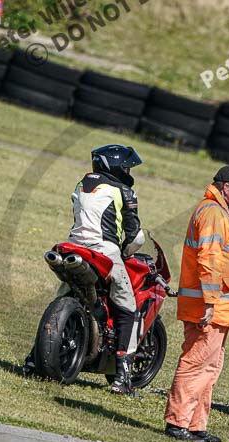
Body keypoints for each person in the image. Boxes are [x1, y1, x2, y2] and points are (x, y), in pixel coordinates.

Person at [163, 165, 229, 442]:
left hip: (220, 309)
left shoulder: (223, 214)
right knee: (196, 363)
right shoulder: (213, 213)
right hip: (210, 307)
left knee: (210, 367)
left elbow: (227, 257)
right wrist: (210, 302)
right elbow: (209, 259)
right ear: (226, 185)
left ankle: (195, 426)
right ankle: (177, 423)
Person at [68, 144, 146, 395]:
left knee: (64, 293)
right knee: (128, 308)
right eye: (125, 166)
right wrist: (125, 252)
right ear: (114, 166)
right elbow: (135, 237)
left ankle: (35, 358)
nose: (128, 171)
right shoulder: (124, 190)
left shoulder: (82, 184)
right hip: (104, 252)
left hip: (72, 247)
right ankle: (122, 377)